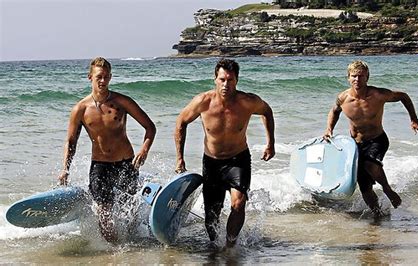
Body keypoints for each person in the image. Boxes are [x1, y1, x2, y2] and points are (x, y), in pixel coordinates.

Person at [174, 58, 275, 247]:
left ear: (237, 80)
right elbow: (181, 122)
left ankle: (230, 246)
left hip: (239, 160)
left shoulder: (247, 101)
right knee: (212, 216)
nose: (226, 84)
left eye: (230, 80)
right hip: (211, 163)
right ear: (215, 79)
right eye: (222, 80)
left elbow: (267, 111)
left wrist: (271, 143)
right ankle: (214, 247)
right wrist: (180, 157)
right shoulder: (203, 102)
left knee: (239, 203)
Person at [57, 57, 156, 242]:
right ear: (90, 78)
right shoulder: (80, 109)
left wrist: (144, 150)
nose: (103, 81)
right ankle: (115, 252)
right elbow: (71, 142)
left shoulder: (122, 102)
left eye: (106, 77)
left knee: (129, 209)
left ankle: (132, 244)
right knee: (103, 212)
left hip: (126, 164)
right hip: (100, 166)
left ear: (110, 77)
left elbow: (150, 127)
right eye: (99, 77)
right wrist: (65, 169)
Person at [324, 60, 418, 217]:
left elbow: (403, 96)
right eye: (354, 76)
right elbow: (334, 111)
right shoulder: (343, 98)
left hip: (378, 139)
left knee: (369, 164)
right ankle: (377, 214)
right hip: (355, 144)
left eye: (361, 76)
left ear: (367, 77)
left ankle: (387, 189)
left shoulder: (378, 94)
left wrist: (414, 119)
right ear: (348, 78)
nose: (357, 80)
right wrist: (329, 129)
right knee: (364, 184)